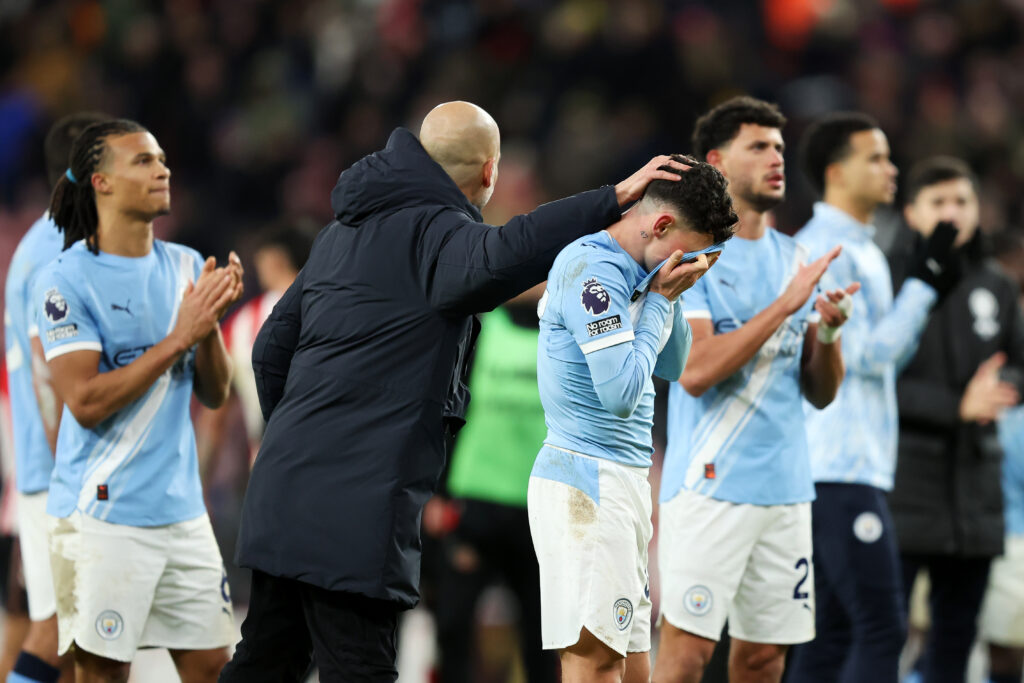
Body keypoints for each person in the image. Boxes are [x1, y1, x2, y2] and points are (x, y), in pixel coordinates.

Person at [220, 101, 690, 683]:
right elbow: (509, 250)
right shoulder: (440, 235)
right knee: (358, 666)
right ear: (489, 172)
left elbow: (270, 350)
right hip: (357, 503)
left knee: (267, 659)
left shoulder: (338, 234)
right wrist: (610, 199)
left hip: (283, 486)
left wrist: (300, 433)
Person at [653, 96, 853, 683]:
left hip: (788, 489)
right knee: (687, 656)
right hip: (711, 486)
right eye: (759, 146)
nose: (776, 158)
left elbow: (820, 392)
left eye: (780, 148)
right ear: (716, 161)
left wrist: (831, 334)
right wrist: (787, 306)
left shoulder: (799, 256)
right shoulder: (697, 257)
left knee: (765, 660)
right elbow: (695, 372)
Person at [35, 118, 243, 683]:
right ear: (101, 182)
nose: (163, 169)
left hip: (182, 513)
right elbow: (84, 400)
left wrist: (208, 327)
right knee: (103, 676)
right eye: (144, 161)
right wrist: (179, 335)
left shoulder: (182, 264)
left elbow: (216, 390)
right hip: (102, 516)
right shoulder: (64, 281)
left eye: (163, 159)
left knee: (211, 669)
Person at [530, 155, 736, 683]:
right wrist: (663, 304)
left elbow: (671, 364)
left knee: (633, 666)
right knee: (595, 664)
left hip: (620, 482)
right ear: (661, 224)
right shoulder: (592, 270)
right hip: (585, 483)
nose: (691, 263)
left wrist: (671, 296)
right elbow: (622, 392)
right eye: (691, 251)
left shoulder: (642, 272)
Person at [786, 113, 959, 682]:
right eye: (875, 158)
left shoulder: (862, 249)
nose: (892, 169)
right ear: (836, 172)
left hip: (846, 465)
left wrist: (918, 287)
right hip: (839, 465)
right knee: (883, 626)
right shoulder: (825, 251)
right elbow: (863, 356)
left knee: (830, 633)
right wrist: (924, 285)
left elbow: (884, 358)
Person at [887, 157, 1024, 683]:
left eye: (962, 202)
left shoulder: (997, 284)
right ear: (911, 212)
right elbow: (872, 381)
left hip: (975, 491)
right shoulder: (891, 278)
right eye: (938, 202)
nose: (952, 213)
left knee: (958, 638)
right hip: (905, 488)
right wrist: (956, 408)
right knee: (886, 635)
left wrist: (1000, 388)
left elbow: (1018, 362)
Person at [3, 112, 109, 683]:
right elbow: (52, 372)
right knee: (62, 633)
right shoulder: (55, 250)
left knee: (74, 636)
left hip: (47, 471)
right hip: (59, 474)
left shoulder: (39, 242)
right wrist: (76, 478)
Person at [434, 284, 557, 683]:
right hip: (475, 503)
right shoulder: (480, 329)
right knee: (452, 623)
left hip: (540, 508)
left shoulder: (565, 337)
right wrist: (436, 492)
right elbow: (446, 411)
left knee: (543, 637)